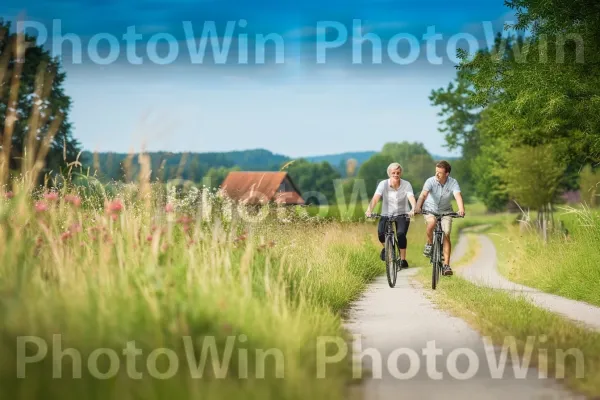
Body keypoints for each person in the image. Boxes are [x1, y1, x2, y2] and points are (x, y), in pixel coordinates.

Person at [414, 160, 465, 276]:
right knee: (431, 223)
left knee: (446, 233)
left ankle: (446, 265)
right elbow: (423, 195)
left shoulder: (453, 182)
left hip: (446, 211)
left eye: (440, 173)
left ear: (447, 174)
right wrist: (418, 207)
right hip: (430, 209)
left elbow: (457, 196)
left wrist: (461, 209)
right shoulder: (430, 181)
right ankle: (430, 243)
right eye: (436, 172)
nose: (437, 174)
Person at [365, 162, 416, 269]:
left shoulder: (406, 184)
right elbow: (375, 198)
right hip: (386, 214)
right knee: (380, 234)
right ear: (389, 174)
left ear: (400, 173)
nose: (396, 175)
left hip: (402, 214)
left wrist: (413, 208)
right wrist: (369, 210)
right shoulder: (383, 184)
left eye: (398, 172)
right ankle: (386, 248)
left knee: (401, 234)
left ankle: (402, 260)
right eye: (393, 173)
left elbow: (411, 197)